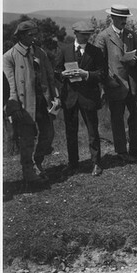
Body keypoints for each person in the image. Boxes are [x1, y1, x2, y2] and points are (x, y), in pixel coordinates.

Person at [2, 20, 57, 183]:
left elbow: (50, 76)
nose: (34, 38)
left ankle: (38, 161)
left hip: (43, 102)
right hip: (24, 105)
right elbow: (10, 84)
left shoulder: (40, 52)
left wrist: (55, 97)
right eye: (30, 35)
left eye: (35, 34)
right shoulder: (9, 56)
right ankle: (28, 173)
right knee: (27, 139)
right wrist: (13, 106)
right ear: (21, 36)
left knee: (48, 134)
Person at [55, 21, 107, 176]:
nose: (86, 37)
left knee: (92, 131)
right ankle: (73, 163)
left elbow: (102, 74)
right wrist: (62, 75)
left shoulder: (96, 52)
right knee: (71, 132)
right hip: (69, 97)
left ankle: (96, 163)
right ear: (75, 33)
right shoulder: (64, 50)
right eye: (83, 35)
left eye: (89, 35)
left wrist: (87, 74)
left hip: (88, 97)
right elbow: (55, 71)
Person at [94, 4, 137, 162]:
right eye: (121, 18)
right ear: (113, 18)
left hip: (132, 82)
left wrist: (135, 60)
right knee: (117, 118)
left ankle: (136, 148)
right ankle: (121, 151)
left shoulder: (130, 34)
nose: (124, 21)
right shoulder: (103, 37)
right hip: (115, 84)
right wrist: (107, 81)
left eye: (125, 18)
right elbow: (98, 63)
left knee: (136, 115)